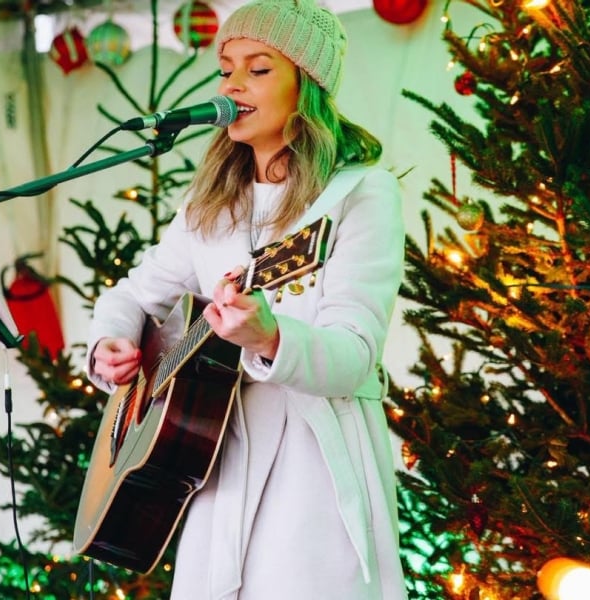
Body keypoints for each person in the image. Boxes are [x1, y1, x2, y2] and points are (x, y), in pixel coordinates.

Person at [86, 0, 407, 597]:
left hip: (312, 458)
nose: (232, 84)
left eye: (258, 69)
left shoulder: (361, 194)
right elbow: (133, 294)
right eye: (226, 68)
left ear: (306, 86)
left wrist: (270, 336)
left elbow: (355, 352)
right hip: (215, 455)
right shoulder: (210, 207)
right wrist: (113, 343)